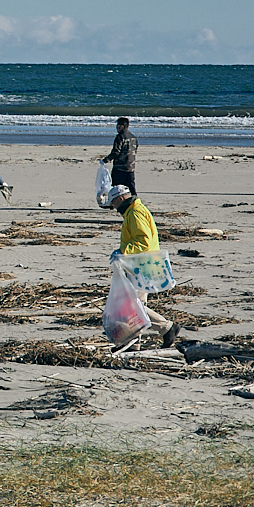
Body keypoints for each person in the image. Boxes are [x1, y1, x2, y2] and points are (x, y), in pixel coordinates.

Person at [109, 185, 178, 347]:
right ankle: (134, 344)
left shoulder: (134, 213)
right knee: (136, 305)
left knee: (134, 307)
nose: (113, 207)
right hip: (141, 263)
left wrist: (123, 251)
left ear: (120, 198)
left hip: (141, 265)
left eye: (113, 202)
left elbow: (143, 240)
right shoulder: (134, 210)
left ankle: (166, 328)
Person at [104, 117, 138, 200]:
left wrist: (106, 159)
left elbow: (116, 152)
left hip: (120, 167)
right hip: (130, 167)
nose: (116, 127)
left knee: (116, 187)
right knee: (131, 187)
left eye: (117, 125)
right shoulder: (133, 137)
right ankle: (135, 201)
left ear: (122, 126)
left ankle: (114, 203)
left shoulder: (120, 137)